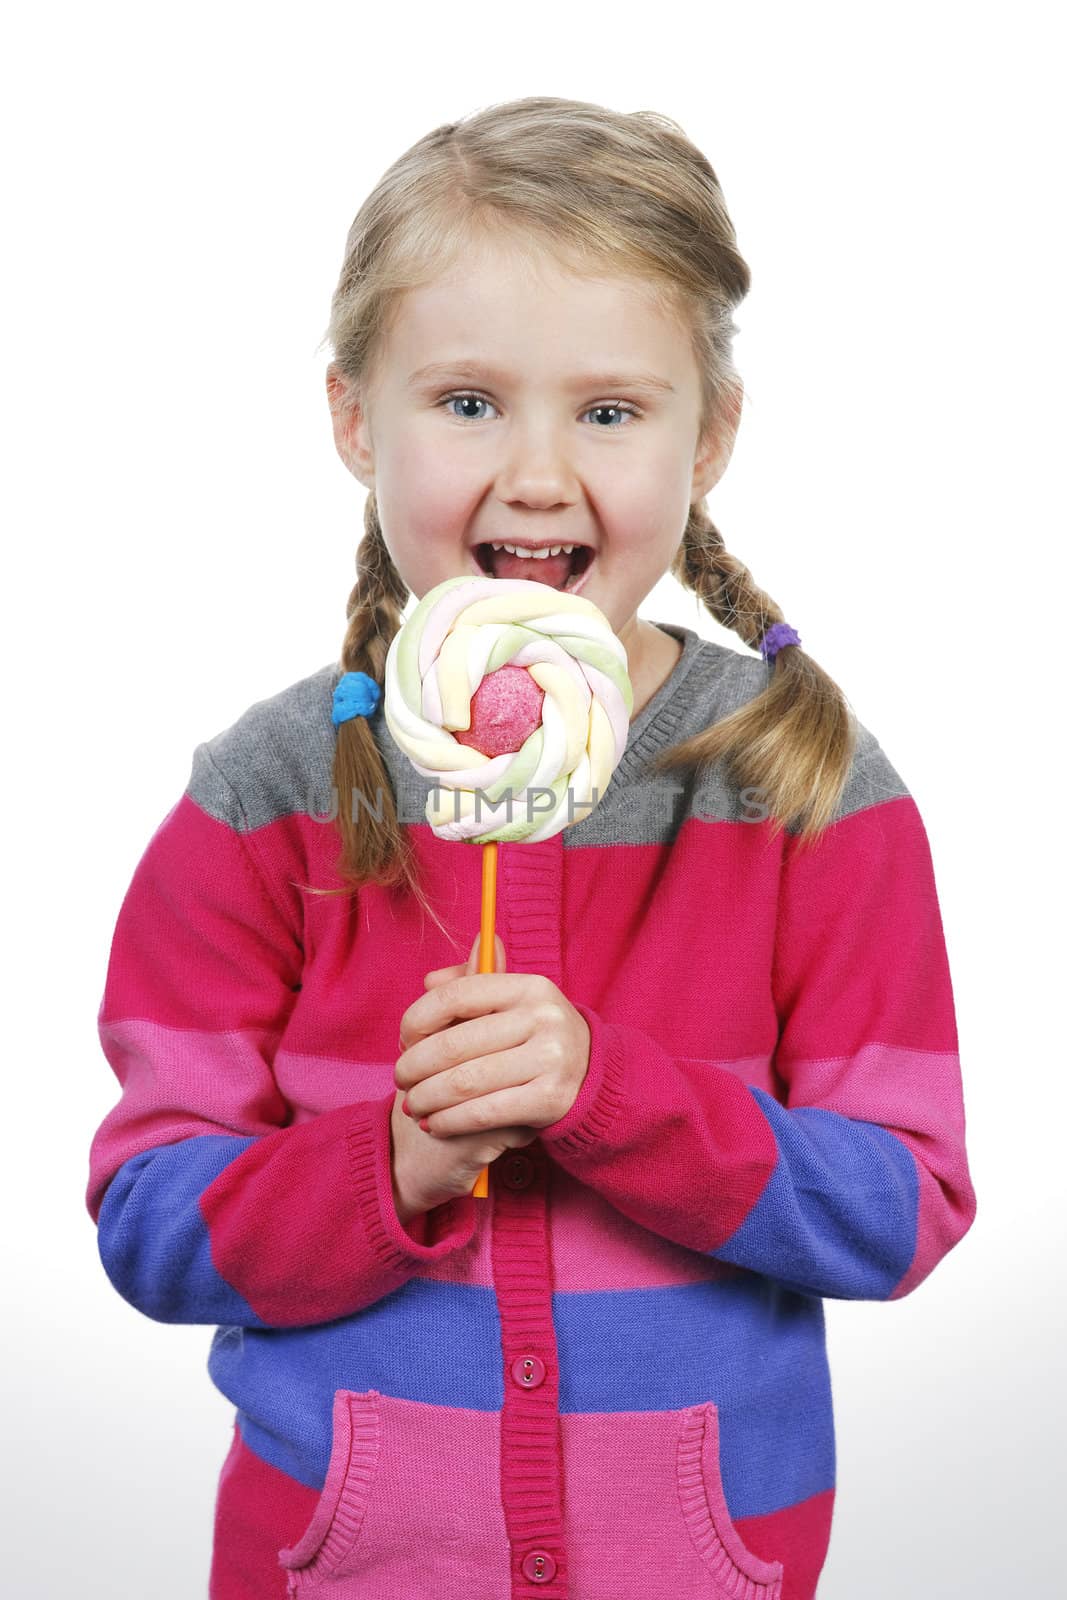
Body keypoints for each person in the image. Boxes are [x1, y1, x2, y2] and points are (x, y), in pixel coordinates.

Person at [86, 95, 977, 1600]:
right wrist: (396, 1162)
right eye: (470, 401)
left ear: (714, 436)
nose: (541, 473)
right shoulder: (268, 794)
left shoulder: (799, 784)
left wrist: (609, 1093)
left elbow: (902, 1208)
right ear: (355, 417)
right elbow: (151, 1226)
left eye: (611, 410)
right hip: (332, 1560)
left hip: (707, 1562)